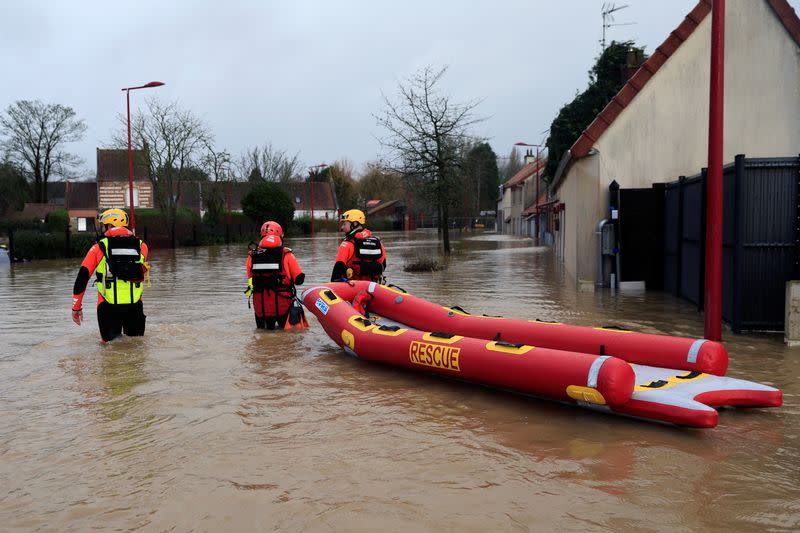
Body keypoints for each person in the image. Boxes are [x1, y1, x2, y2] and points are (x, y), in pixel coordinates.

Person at [71, 208, 149, 343]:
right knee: (136, 347)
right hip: (135, 306)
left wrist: (76, 307)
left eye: (103, 226)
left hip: (107, 306)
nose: (102, 229)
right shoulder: (142, 247)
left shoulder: (98, 248)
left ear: (109, 225)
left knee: (109, 350)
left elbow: (82, 278)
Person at [246, 221, 305, 330]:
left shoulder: (252, 256)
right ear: (280, 235)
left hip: (261, 308)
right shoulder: (286, 254)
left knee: (262, 335)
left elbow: (250, 279)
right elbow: (299, 279)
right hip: (283, 305)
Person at [330, 209, 386, 282]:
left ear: (355, 223)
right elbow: (383, 265)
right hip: (373, 288)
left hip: (350, 288)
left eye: (344, 224)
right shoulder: (377, 242)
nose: (342, 227)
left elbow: (337, 270)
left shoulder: (347, 244)